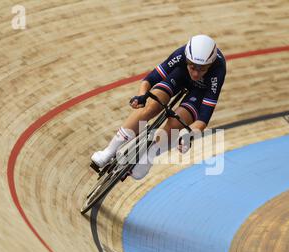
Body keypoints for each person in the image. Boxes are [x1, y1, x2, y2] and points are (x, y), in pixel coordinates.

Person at [91, 34, 226, 179]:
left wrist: (189, 136)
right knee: (151, 106)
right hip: (179, 76)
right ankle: (109, 151)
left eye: (202, 70)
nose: (195, 73)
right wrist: (141, 96)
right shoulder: (181, 54)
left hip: (199, 92)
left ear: (210, 65)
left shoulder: (218, 70)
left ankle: (151, 151)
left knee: (176, 122)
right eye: (192, 67)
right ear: (187, 58)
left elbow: (204, 117)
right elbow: (149, 80)